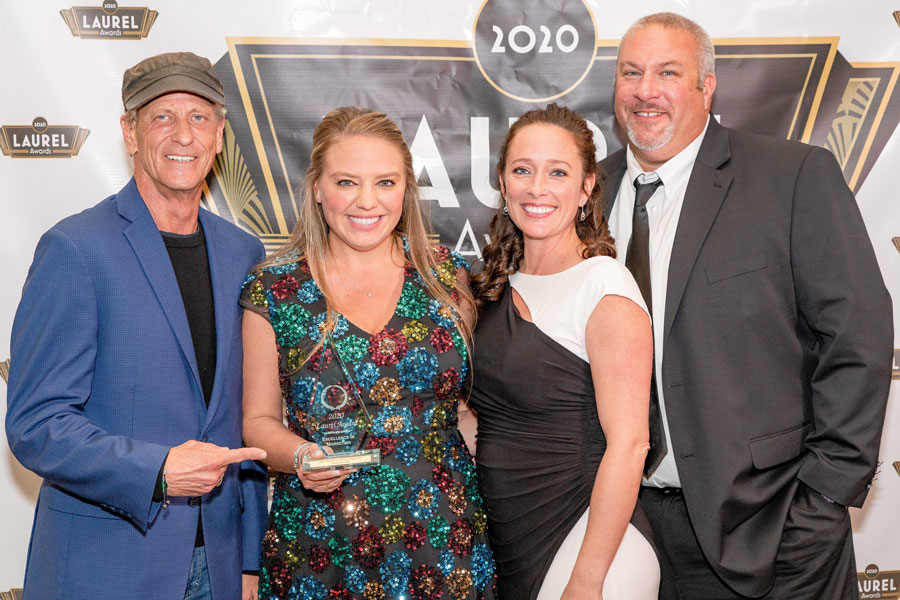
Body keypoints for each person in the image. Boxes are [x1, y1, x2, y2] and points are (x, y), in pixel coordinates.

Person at [600, 13, 893, 599]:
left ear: (708, 86)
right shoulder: (589, 193)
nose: (645, 90)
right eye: (631, 72)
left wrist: (824, 495)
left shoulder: (791, 177)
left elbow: (856, 337)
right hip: (625, 536)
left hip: (771, 528)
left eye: (668, 72)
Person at [5, 52, 269, 600]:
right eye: (161, 117)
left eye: (199, 118)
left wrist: (249, 560)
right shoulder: (75, 249)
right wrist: (156, 469)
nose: (183, 135)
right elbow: (36, 422)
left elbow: (246, 423)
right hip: (110, 568)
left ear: (219, 135)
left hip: (218, 568)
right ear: (129, 132)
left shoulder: (243, 254)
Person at [240, 106, 497, 599]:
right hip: (321, 542)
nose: (367, 201)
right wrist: (300, 456)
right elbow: (257, 420)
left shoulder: (446, 276)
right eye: (346, 182)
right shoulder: (274, 287)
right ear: (317, 187)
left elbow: (467, 410)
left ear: (405, 189)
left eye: (385, 182)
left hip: (445, 540)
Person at [468, 103, 659, 600]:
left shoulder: (604, 285)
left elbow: (631, 444)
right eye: (522, 170)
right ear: (503, 183)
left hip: (590, 542)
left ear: (587, 187)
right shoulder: (492, 289)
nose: (537, 188)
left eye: (558, 172)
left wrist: (588, 578)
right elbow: (481, 419)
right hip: (509, 539)